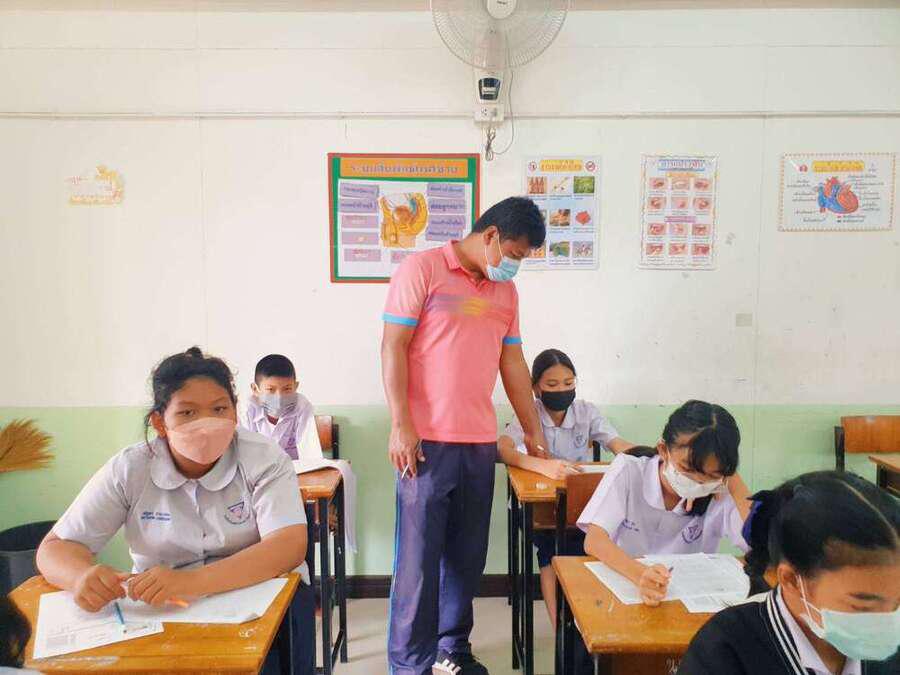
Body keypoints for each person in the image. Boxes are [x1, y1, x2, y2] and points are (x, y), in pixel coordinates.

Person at [35, 347, 315, 674]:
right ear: (160, 422)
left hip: (257, 598)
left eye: (219, 409)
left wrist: (191, 582)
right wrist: (80, 576)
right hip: (162, 609)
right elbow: (55, 548)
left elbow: (287, 546)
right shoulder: (130, 468)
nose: (206, 424)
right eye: (187, 413)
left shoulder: (264, 459)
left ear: (235, 413)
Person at [382, 196, 548, 675]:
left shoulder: (506, 294)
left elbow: (512, 361)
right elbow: (393, 346)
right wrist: (401, 423)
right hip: (425, 442)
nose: (514, 265)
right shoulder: (422, 269)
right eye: (514, 254)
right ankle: (410, 663)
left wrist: (533, 431)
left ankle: (452, 648)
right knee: (418, 561)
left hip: (479, 443)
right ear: (491, 235)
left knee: (467, 556)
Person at [679, 470, 899, 674]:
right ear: (792, 580)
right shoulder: (724, 651)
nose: (888, 621)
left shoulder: (888, 646)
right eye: (864, 605)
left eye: (898, 603)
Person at [497, 347, 636, 624]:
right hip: (539, 508)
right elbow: (502, 449)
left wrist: (652, 459)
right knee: (552, 550)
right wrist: (542, 466)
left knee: (594, 543)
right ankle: (561, 627)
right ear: (536, 388)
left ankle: (590, 621)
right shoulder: (529, 413)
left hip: (580, 506)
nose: (561, 390)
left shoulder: (586, 412)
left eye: (568, 383)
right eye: (552, 385)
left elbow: (617, 444)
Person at [579, 400, 752, 607]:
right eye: (687, 469)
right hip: (624, 584)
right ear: (663, 449)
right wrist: (640, 574)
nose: (698, 481)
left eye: (711, 474)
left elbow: (762, 548)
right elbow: (594, 541)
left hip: (686, 601)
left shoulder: (720, 491)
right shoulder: (630, 470)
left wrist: (733, 482)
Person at [244, 354, 321, 460]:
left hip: (294, 468)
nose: (279, 398)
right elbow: (243, 455)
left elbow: (310, 454)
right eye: (270, 390)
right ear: (255, 389)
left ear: (295, 387)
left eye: (287, 389)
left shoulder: (302, 406)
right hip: (257, 469)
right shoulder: (247, 409)